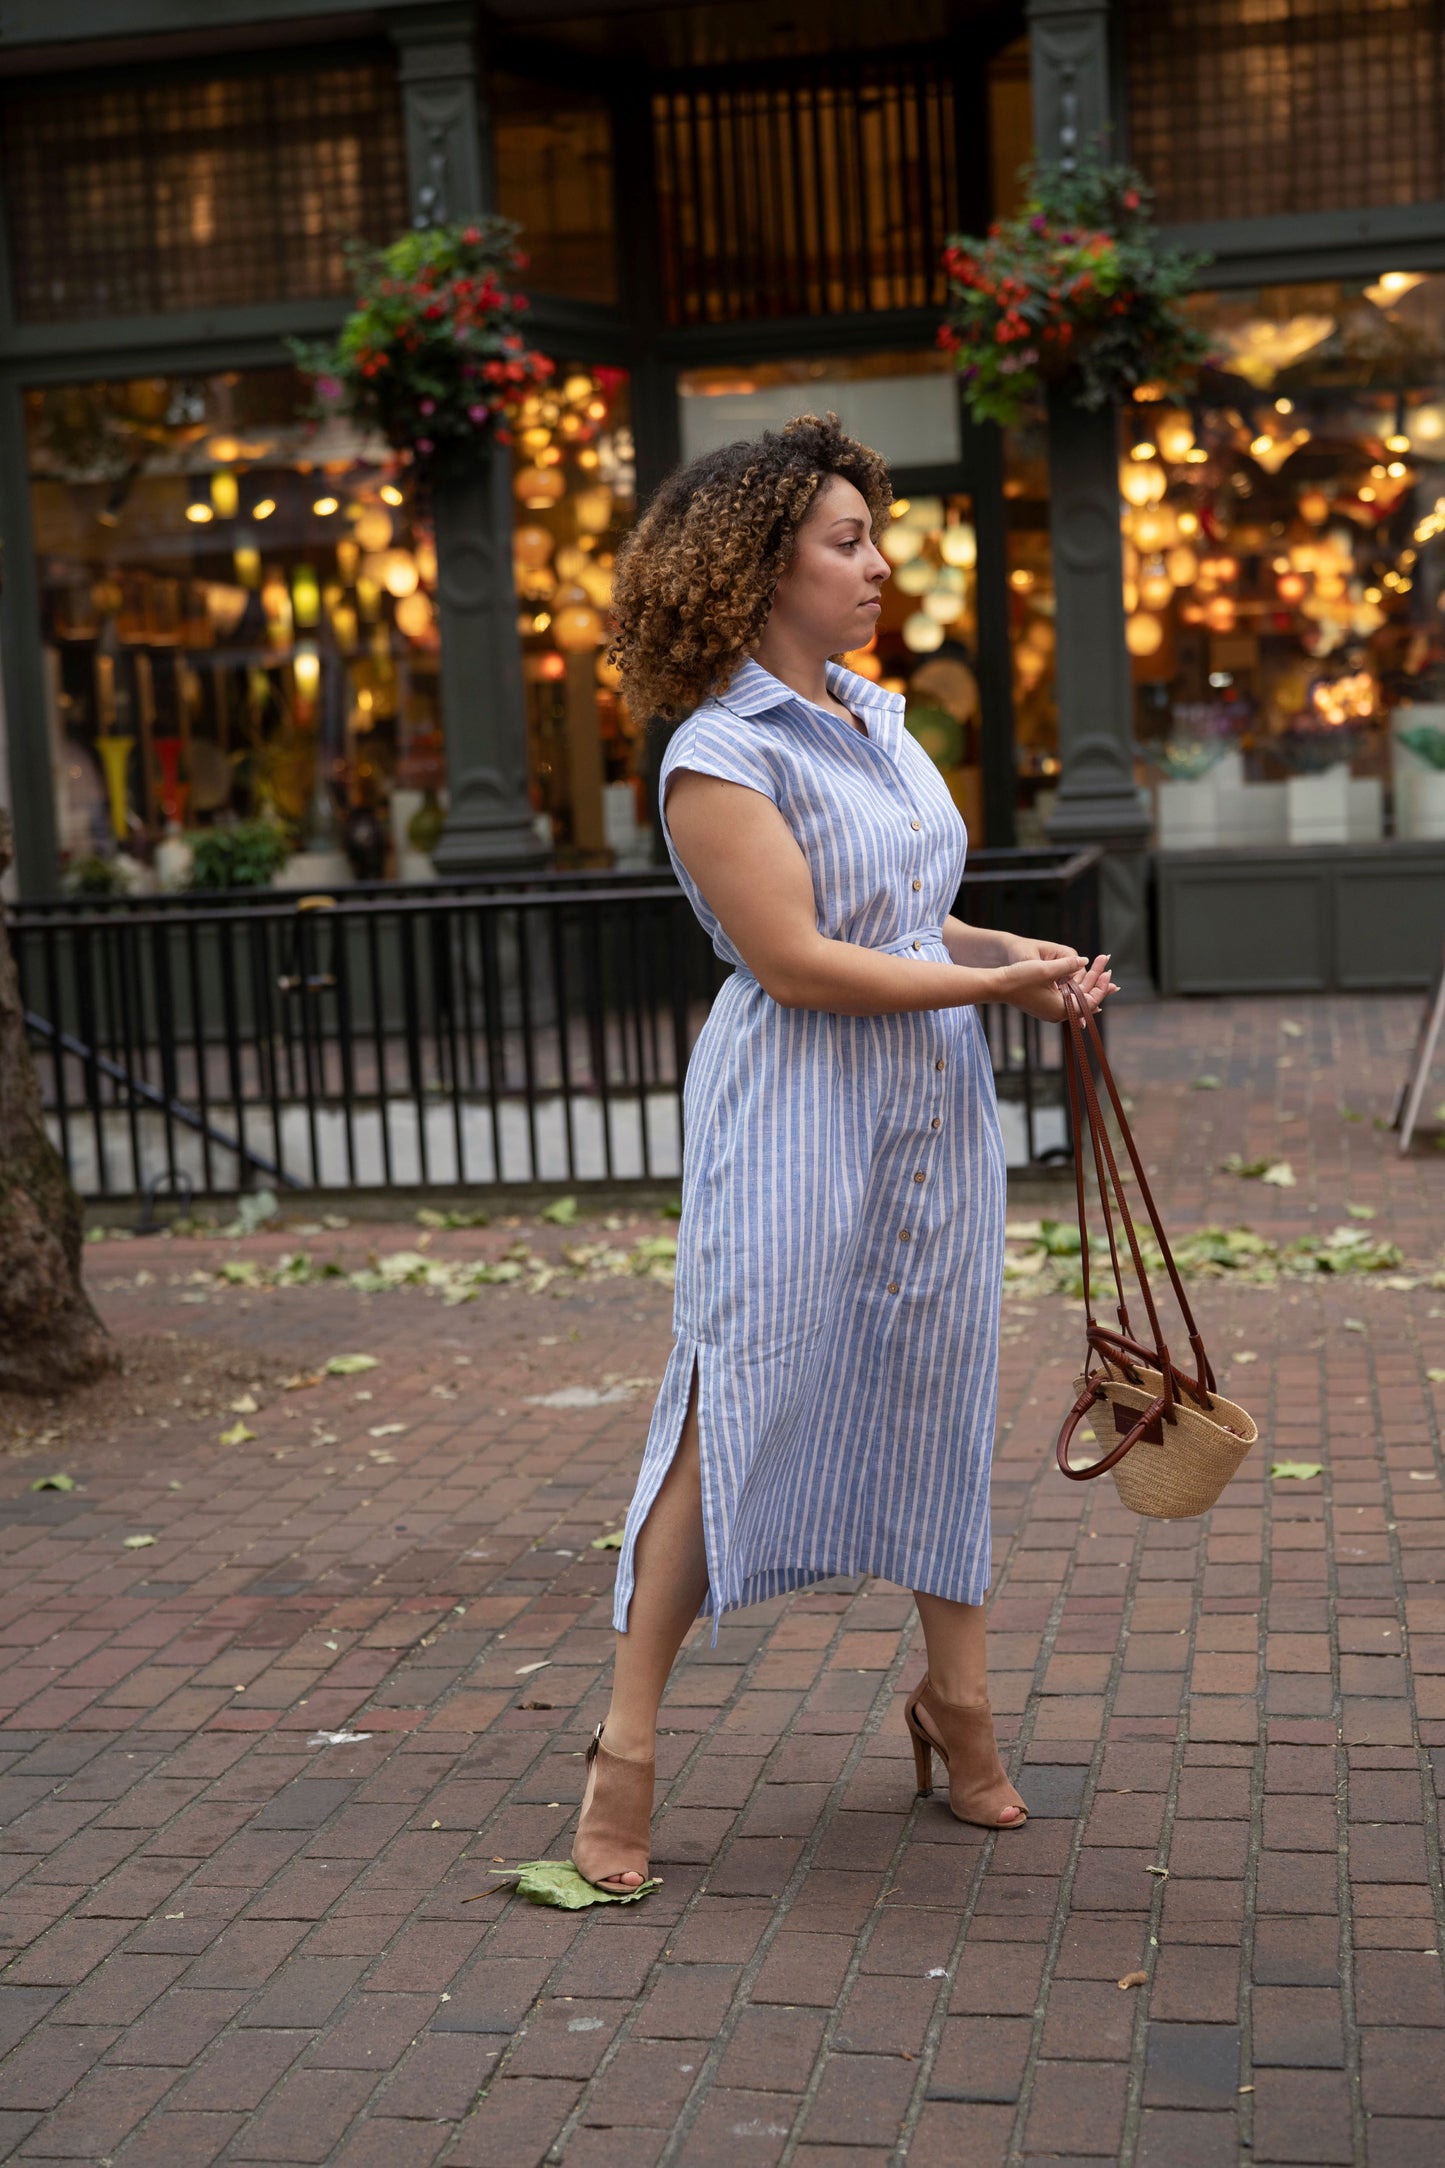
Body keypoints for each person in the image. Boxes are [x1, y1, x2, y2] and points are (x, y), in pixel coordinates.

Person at [571, 415, 1118, 1893]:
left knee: (938, 1387)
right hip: (796, 1114)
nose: (878, 565)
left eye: (871, 537)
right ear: (757, 569)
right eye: (845, 541)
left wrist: (1020, 953)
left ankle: (958, 1706)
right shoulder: (716, 753)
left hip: (929, 1116)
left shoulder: (874, 718)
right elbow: (803, 963)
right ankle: (624, 1749)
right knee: (734, 1397)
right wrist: (991, 989)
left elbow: (904, 916)